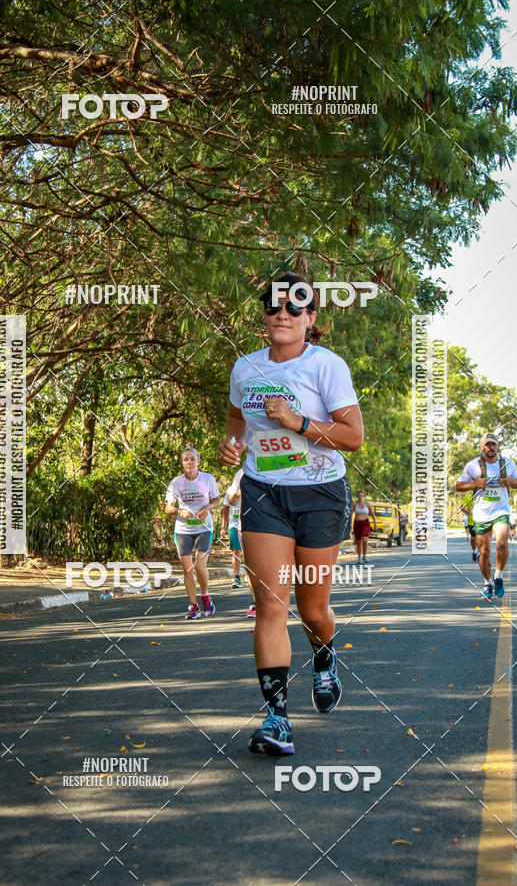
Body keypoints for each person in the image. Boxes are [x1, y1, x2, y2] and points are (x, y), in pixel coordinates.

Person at [218, 271, 363, 755]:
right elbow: (238, 419)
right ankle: (276, 717)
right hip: (265, 493)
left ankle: (323, 656)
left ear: (310, 318)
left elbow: (353, 437)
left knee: (312, 609)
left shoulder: (327, 367)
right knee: (271, 606)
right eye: (274, 305)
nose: (282, 313)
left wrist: (297, 422)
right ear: (264, 314)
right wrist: (232, 444)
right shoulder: (245, 368)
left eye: (295, 306)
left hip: (321, 494)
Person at [455, 433, 517, 599]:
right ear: (482, 447)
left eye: (493, 444)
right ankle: (487, 582)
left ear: (497, 446)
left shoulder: (508, 464)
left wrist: (512, 483)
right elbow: (458, 485)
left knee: (502, 542)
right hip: (481, 514)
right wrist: (474, 484)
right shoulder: (473, 466)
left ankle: (498, 576)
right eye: (487, 445)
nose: (490, 447)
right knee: (483, 551)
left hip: (501, 510)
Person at [164, 448, 220, 619]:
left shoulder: (207, 479)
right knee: (187, 569)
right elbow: (168, 508)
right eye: (186, 459)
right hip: (183, 530)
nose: (189, 462)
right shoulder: (176, 482)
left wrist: (207, 507)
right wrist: (179, 511)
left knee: (200, 566)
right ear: (182, 463)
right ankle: (193, 605)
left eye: (192, 459)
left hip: (204, 528)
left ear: (198, 462)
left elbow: (216, 501)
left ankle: (205, 596)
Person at [220, 466, 256, 617]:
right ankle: (237, 578)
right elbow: (228, 505)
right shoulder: (236, 482)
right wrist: (223, 526)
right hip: (237, 525)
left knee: (254, 562)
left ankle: (263, 599)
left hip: (257, 525)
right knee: (237, 552)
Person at [351, 491, 377, 564]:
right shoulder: (355, 504)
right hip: (357, 523)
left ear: (364, 496)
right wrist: (349, 523)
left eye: (362, 495)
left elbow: (372, 513)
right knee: (358, 541)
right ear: (357, 497)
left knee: (365, 539)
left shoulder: (367, 504)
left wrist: (375, 524)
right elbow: (351, 513)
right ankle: (359, 557)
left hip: (365, 523)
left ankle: (364, 555)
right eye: (359, 495)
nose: (360, 497)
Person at [460, 492, 478, 561]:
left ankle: (480, 552)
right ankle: (474, 551)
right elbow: (462, 507)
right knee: (473, 539)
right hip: (472, 522)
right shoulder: (468, 497)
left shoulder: (484, 496)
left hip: (482, 521)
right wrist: (468, 512)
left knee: (481, 538)